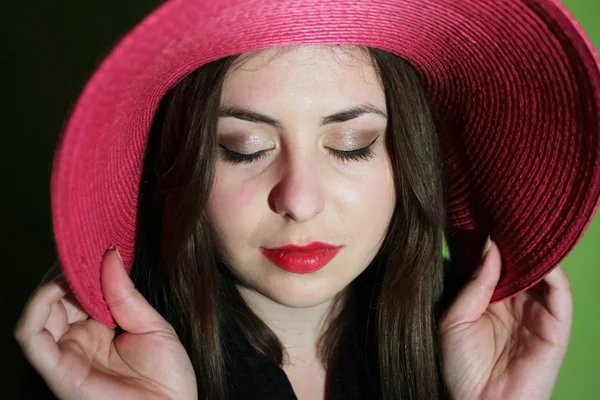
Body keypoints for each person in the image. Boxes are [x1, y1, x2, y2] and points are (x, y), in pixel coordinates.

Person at [14, 0, 599, 399]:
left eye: (351, 144)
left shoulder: (470, 345)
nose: (299, 201)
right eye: (244, 148)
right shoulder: (92, 372)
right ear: (185, 160)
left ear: (406, 158)